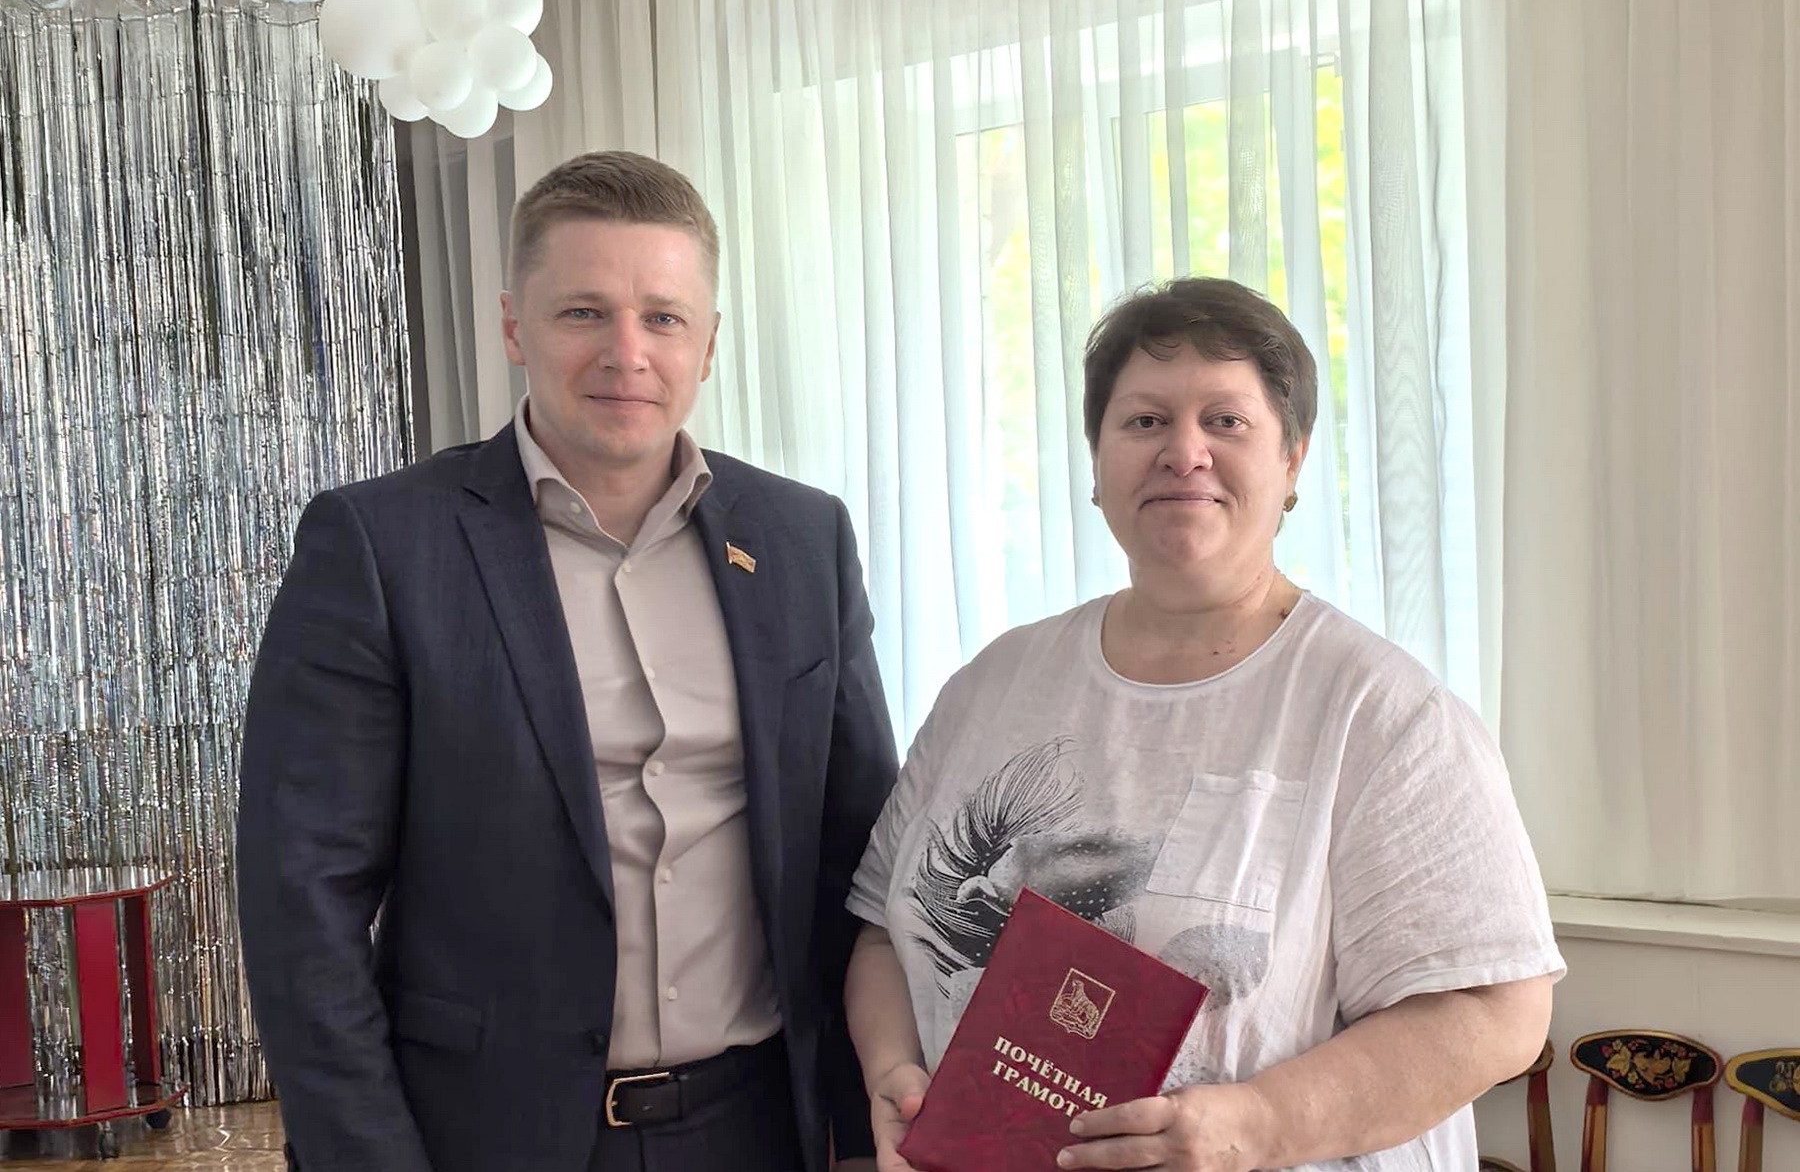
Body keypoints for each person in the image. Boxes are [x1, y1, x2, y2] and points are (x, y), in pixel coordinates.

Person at [238, 151, 898, 1172]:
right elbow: (302, 901)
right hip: (487, 1137)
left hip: (762, 1126)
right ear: (515, 326)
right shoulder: (381, 545)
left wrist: (860, 1131)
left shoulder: (804, 538)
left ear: (709, 343)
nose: (627, 354)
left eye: (663, 317)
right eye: (584, 312)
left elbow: (862, 862)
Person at [843, 277, 1563, 1172]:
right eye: (1145, 421)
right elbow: (883, 930)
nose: (1184, 453)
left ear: (1291, 461)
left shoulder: (1384, 714)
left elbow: (1496, 1013)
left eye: (1225, 421)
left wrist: (1257, 1123)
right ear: (1097, 463)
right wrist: (892, 1072)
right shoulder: (991, 684)